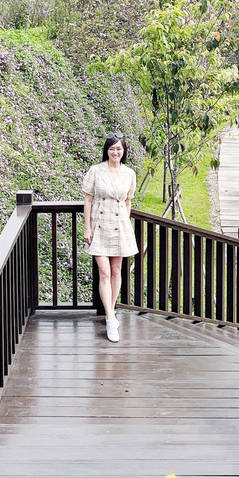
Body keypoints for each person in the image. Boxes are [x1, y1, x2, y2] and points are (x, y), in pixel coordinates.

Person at [82, 132, 138, 342]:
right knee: (104, 272)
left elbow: (127, 202)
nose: (115, 152)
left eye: (119, 149)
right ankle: (109, 317)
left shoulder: (129, 174)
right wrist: (87, 228)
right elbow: (88, 200)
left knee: (116, 270)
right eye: (112, 148)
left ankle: (111, 312)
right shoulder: (96, 171)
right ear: (107, 150)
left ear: (124, 152)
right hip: (99, 226)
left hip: (120, 227)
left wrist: (125, 223)